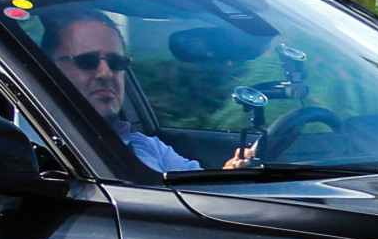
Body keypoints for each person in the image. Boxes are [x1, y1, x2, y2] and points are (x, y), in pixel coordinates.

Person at [47, 14, 254, 174]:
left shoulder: (147, 147)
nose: (106, 73)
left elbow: (203, 194)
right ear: (49, 69)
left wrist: (230, 174)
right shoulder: (39, 153)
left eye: (116, 62)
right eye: (87, 61)